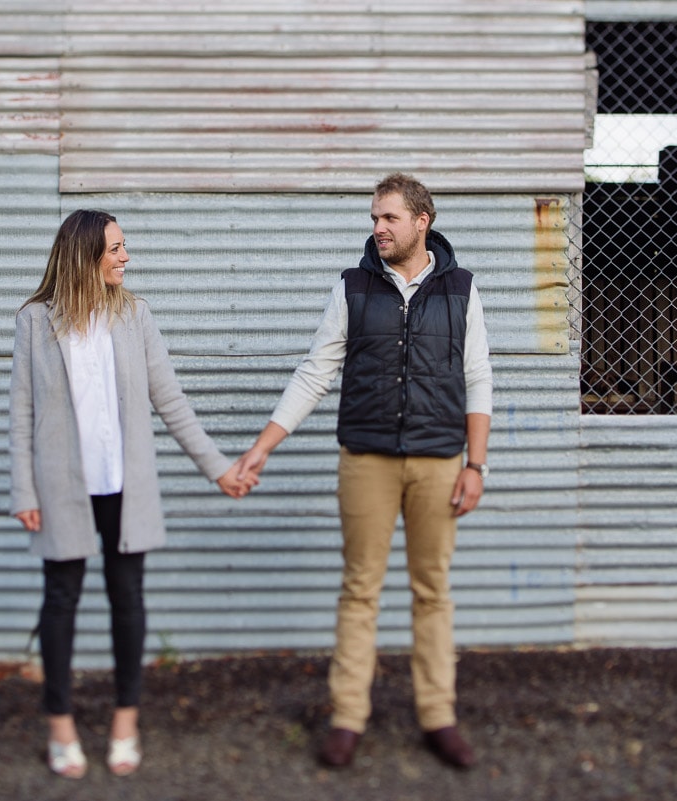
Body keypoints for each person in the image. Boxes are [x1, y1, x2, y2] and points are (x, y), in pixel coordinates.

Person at [235, 173, 493, 770]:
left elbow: (478, 377)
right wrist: (263, 446)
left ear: (421, 221)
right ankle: (348, 716)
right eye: (374, 218)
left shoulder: (460, 288)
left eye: (389, 218)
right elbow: (314, 372)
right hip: (367, 461)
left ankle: (439, 717)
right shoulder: (353, 287)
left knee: (433, 593)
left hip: (438, 461)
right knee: (360, 590)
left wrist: (475, 463)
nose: (376, 227)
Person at [8, 209, 254, 780]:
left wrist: (218, 469)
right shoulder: (34, 322)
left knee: (128, 601)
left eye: (124, 247)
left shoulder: (135, 316)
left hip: (124, 482)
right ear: (84, 254)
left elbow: (171, 402)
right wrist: (24, 486)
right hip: (61, 485)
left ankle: (125, 720)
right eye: (115, 248)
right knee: (60, 601)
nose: (125, 257)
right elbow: (21, 413)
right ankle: (61, 724)